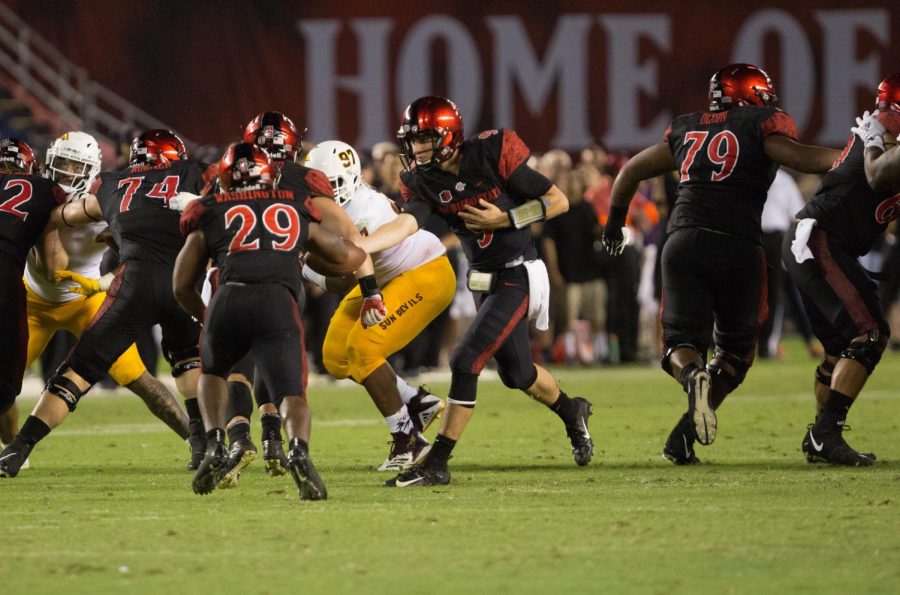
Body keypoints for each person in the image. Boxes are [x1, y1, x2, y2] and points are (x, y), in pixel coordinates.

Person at [601, 63, 840, 465]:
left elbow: (629, 172)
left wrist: (613, 225)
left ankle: (685, 424)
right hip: (738, 245)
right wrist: (861, 157)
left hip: (683, 243)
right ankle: (695, 405)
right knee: (734, 353)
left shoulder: (687, 129)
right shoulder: (758, 126)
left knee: (680, 344)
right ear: (749, 94)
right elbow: (803, 158)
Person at [357, 96, 594, 487]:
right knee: (519, 374)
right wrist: (364, 246)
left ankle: (437, 463)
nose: (415, 149)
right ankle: (574, 412)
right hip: (483, 278)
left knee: (465, 360)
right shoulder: (422, 179)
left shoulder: (489, 153)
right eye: (411, 140)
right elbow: (410, 224)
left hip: (518, 273)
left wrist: (508, 217)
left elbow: (558, 201)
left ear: (448, 136)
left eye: (423, 140)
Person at [0, 129, 214, 478]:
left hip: (87, 300)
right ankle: (14, 451)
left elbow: (131, 238)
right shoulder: (41, 194)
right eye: (62, 163)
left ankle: (193, 442)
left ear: (93, 169)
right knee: (7, 381)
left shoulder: (105, 192)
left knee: (139, 381)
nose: (67, 172)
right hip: (35, 300)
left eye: (76, 165)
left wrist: (103, 271)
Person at [174, 142, 364, 499]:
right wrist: (357, 257)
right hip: (277, 300)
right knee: (291, 390)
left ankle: (216, 442)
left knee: (214, 373)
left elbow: (181, 284)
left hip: (228, 297)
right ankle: (298, 451)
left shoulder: (209, 209)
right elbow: (343, 253)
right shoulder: (292, 204)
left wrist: (206, 317)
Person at [304, 140, 452, 471]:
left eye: (333, 185)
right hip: (386, 279)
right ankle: (415, 401)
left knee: (363, 349)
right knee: (335, 356)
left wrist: (307, 267)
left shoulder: (361, 211)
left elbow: (346, 276)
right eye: (320, 185)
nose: (326, 193)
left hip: (424, 272)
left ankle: (408, 439)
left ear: (352, 179)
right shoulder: (332, 206)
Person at [781, 73, 900, 466]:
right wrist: (870, 143)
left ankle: (821, 436)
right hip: (820, 240)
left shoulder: (883, 138)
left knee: (839, 350)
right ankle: (825, 433)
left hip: (817, 241)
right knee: (870, 334)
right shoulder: (880, 139)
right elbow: (877, 174)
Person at [0, 138, 68, 456]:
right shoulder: (42, 189)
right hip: (5, 282)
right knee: (4, 387)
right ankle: (11, 450)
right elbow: (54, 267)